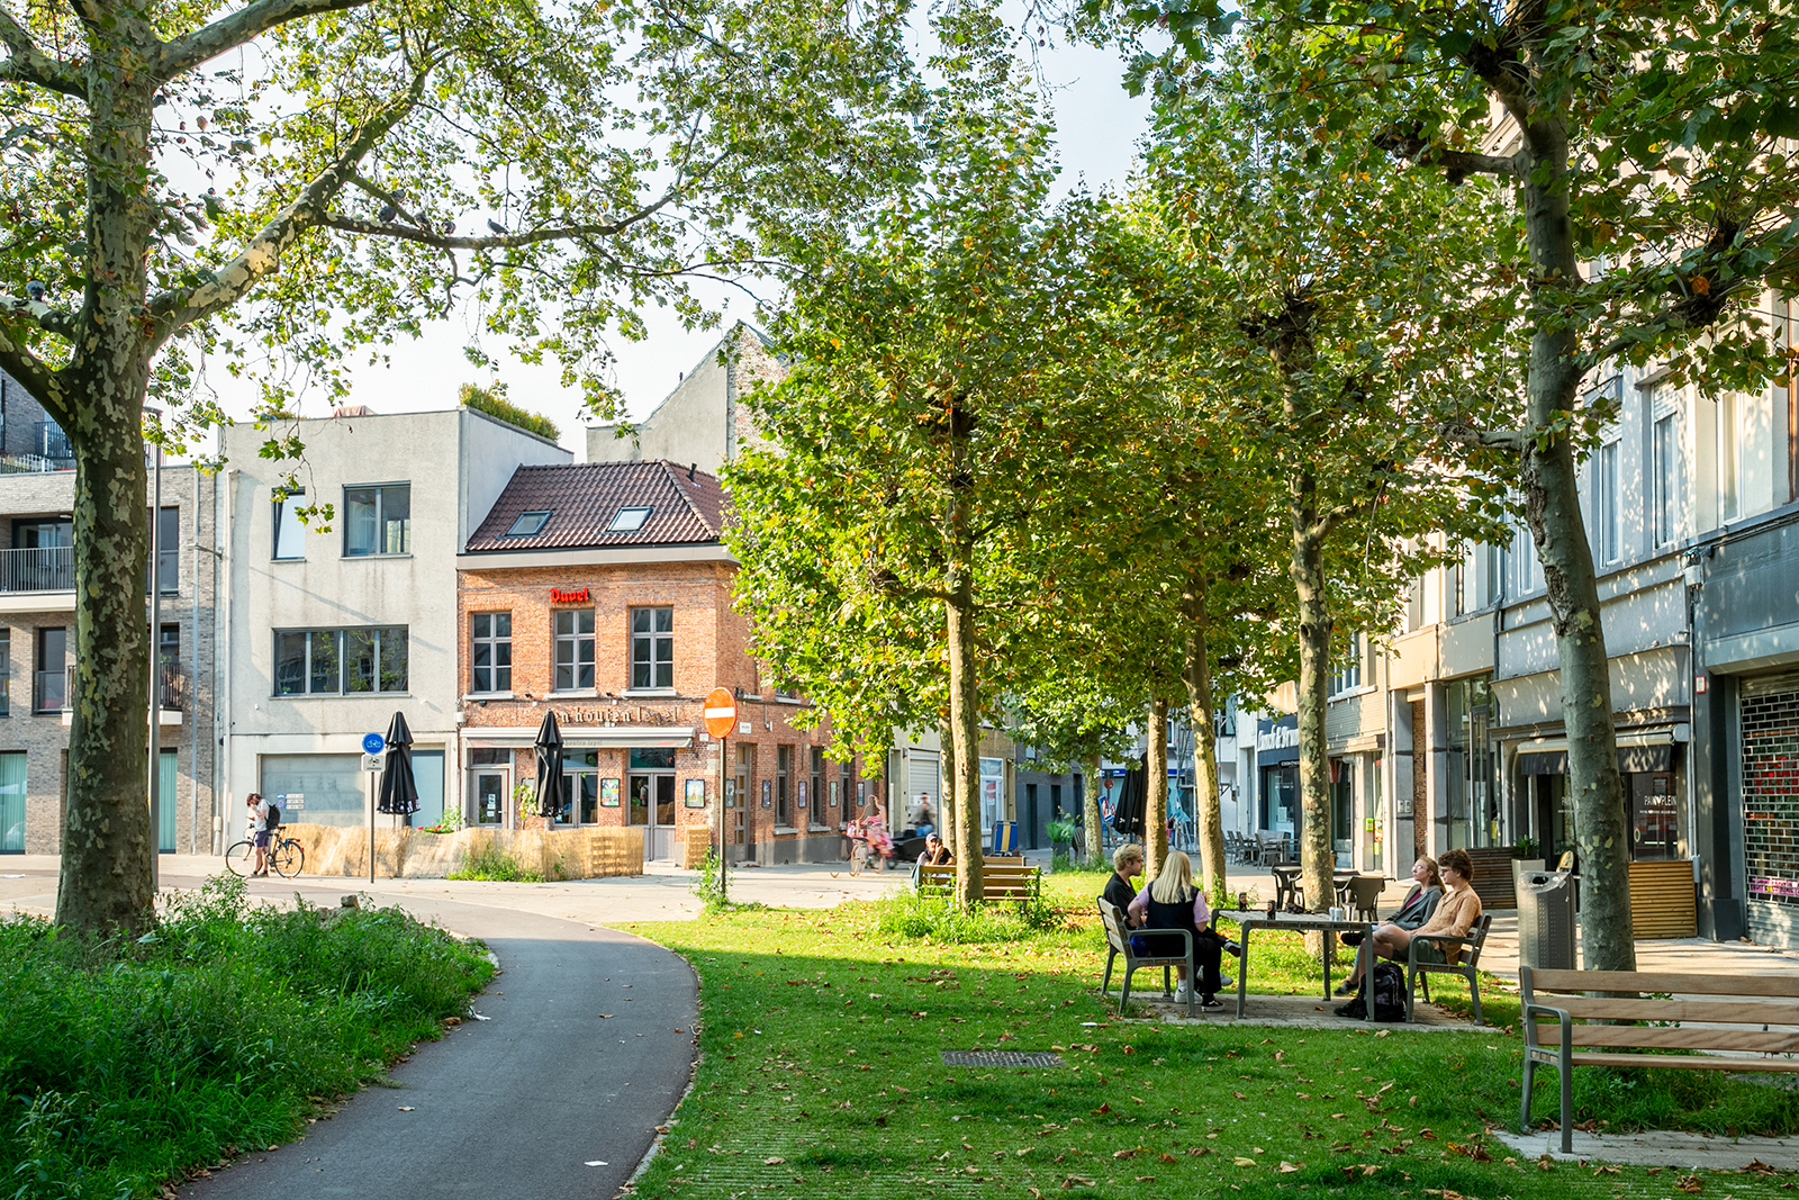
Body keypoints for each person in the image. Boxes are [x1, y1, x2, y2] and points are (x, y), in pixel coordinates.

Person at [1338, 848, 1481, 994]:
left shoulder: (1468, 898)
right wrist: (1412, 933)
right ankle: (1363, 995)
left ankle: (1367, 933)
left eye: (1445, 870)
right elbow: (1430, 925)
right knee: (1367, 944)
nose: (1441, 874)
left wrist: (1423, 935)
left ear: (1458, 872)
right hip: (1422, 943)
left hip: (1437, 951)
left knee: (1390, 930)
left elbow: (1458, 931)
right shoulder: (1448, 896)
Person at [1129, 850, 1226, 1009]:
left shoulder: (1152, 888)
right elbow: (1200, 927)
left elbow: (1132, 908)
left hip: (1155, 946)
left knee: (1206, 943)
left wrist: (1141, 927)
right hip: (1183, 947)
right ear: (1186, 869)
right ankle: (1208, 996)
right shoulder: (1192, 893)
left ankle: (1186, 986)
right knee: (1212, 947)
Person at [1338, 855, 1443, 952]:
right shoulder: (1415, 889)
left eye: (1419, 868)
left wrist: (1395, 924)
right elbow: (1401, 912)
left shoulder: (1434, 895)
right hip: (1396, 926)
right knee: (1369, 938)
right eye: (1414, 866)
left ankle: (1363, 935)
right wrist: (1388, 921)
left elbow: (1426, 924)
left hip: (1410, 933)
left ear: (1430, 873)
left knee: (1371, 934)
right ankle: (1361, 961)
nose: (1414, 870)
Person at [1101, 842, 1143, 925]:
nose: (1142, 865)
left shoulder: (1122, 881)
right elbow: (1131, 922)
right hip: (1132, 932)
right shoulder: (1116, 888)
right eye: (1138, 861)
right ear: (1127, 863)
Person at [246, 792, 271, 877]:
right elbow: (260, 817)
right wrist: (254, 819)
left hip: (262, 830)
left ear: (255, 798)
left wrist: (255, 810)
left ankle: (255, 872)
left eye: (252, 802)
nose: (253, 804)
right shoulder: (261, 804)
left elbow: (262, 816)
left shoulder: (263, 803)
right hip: (262, 829)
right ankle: (265, 871)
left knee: (257, 851)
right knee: (264, 851)